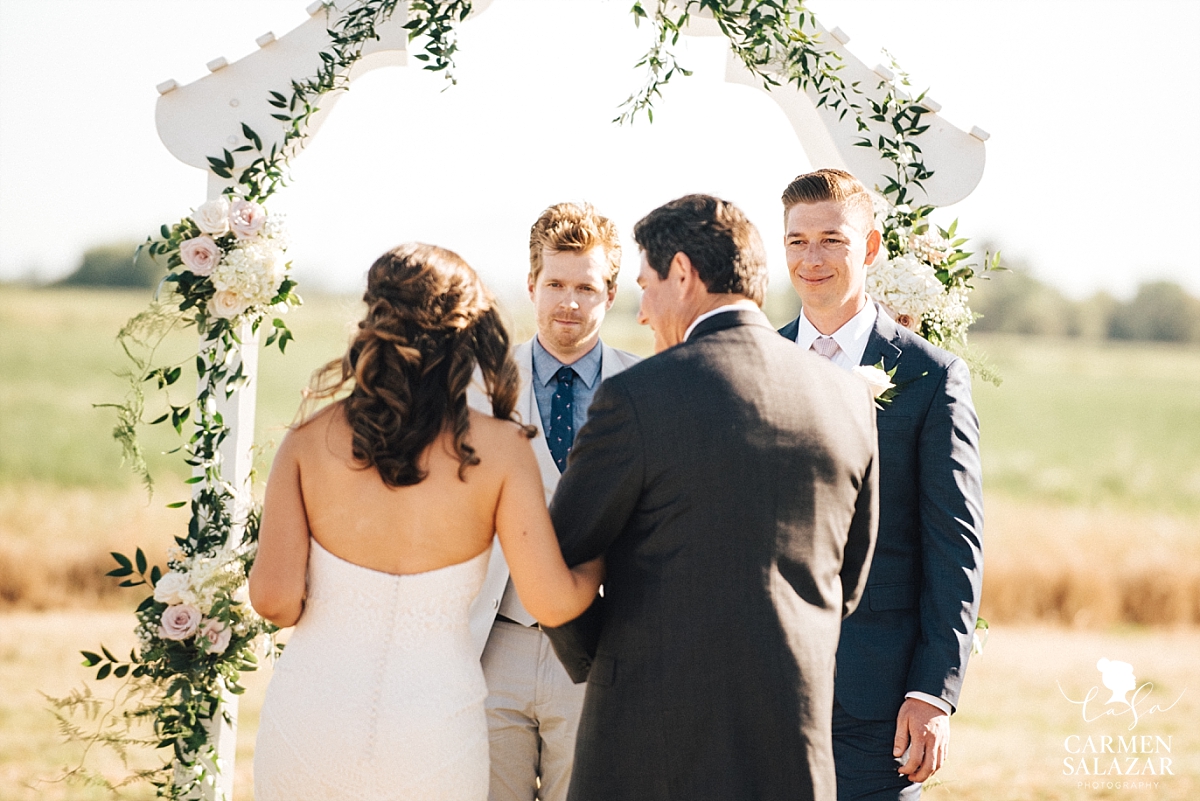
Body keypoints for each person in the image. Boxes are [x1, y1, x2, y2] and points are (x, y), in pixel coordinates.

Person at [542, 194, 880, 801]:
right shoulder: (848, 398)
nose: (643, 312)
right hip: (794, 741)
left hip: (651, 744)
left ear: (681, 273)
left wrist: (614, 659)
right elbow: (847, 582)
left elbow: (557, 561)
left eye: (645, 285)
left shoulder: (637, 396)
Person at [249, 243, 603, 801]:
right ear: (468, 331)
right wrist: (598, 553)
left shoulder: (305, 441)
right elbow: (553, 603)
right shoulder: (501, 449)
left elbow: (274, 601)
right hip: (435, 729)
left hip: (310, 717)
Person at [776, 168, 984, 799]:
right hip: (767, 691)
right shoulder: (762, 359)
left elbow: (956, 547)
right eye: (796, 241)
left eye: (831, 240)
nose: (811, 259)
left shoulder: (931, 377)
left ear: (868, 248)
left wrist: (933, 693)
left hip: (880, 700)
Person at [466, 202, 640, 801]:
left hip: (602, 648)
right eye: (556, 284)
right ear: (532, 284)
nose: (569, 301)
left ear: (610, 292)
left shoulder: (647, 388)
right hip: (494, 640)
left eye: (586, 287)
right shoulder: (478, 385)